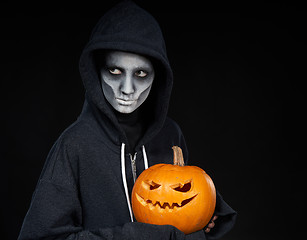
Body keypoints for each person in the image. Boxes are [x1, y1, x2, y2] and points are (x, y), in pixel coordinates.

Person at [18, 0, 237, 239]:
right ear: (96, 70)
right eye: (115, 71)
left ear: (158, 77)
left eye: (141, 73)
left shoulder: (171, 135)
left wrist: (206, 218)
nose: (127, 89)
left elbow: (182, 210)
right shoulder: (73, 145)